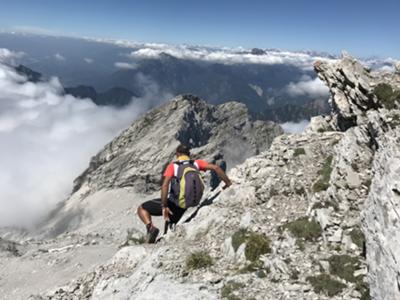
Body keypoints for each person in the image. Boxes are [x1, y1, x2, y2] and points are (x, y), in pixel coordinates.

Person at [137, 144, 232, 243]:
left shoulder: (174, 166)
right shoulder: (196, 163)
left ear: (177, 154)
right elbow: (216, 168)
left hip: (176, 203)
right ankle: (165, 237)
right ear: (189, 154)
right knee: (169, 224)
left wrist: (164, 206)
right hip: (188, 204)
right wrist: (228, 183)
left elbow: (165, 186)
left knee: (142, 208)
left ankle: (150, 228)